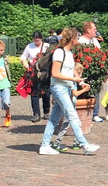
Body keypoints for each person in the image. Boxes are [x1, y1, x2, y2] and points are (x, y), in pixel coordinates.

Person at [39, 27, 100, 155]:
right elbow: (55, 74)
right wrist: (73, 79)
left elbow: (72, 70)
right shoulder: (59, 53)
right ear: (71, 39)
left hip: (65, 88)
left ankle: (44, 145)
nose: (78, 39)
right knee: (72, 115)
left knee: (54, 119)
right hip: (58, 88)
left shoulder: (69, 53)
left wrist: (81, 82)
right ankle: (85, 145)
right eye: (77, 37)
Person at [78, 21, 105, 122]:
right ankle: (84, 113)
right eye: (94, 29)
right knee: (84, 92)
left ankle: (95, 113)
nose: (96, 30)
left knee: (96, 91)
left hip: (95, 71)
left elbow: (100, 53)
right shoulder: (80, 41)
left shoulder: (95, 41)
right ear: (88, 30)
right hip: (84, 71)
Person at [20, 31, 49, 121]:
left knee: (46, 93)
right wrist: (26, 65)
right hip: (34, 73)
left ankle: (47, 112)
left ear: (41, 39)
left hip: (44, 73)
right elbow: (23, 57)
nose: (36, 43)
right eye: (35, 41)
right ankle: (36, 113)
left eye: (38, 41)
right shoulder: (29, 46)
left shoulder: (47, 46)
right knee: (34, 93)